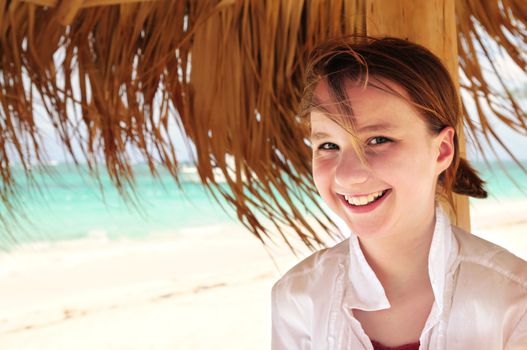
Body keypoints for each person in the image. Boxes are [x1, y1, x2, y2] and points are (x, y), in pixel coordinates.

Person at [271, 36, 527, 350]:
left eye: (378, 140)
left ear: (442, 150)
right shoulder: (298, 299)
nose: (348, 175)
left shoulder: (514, 300)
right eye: (327, 146)